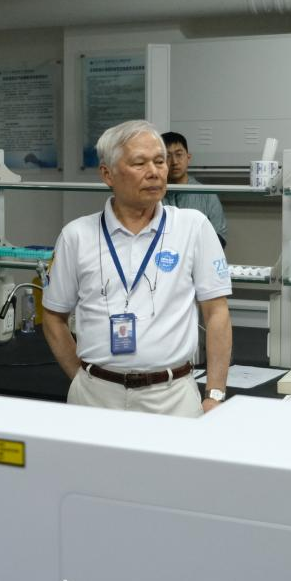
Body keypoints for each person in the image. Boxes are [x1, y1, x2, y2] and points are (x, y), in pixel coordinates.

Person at [42, 120, 232, 417]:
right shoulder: (76, 236)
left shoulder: (193, 227)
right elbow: (54, 316)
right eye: (139, 163)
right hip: (95, 396)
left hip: (172, 397)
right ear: (107, 174)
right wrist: (80, 378)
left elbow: (217, 312)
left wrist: (215, 394)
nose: (154, 172)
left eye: (160, 161)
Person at [161, 131, 228, 247]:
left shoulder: (206, 194)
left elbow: (220, 236)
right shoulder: (153, 195)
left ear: (188, 158)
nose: (174, 162)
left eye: (179, 154)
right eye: (167, 156)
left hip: (199, 255)